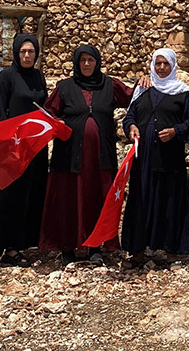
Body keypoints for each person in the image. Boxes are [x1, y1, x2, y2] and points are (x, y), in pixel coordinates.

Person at [40, 44, 134, 265]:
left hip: (100, 158)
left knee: (96, 199)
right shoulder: (65, 87)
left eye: (90, 60)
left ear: (97, 62)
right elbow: (47, 113)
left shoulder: (109, 85)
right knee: (69, 199)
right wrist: (58, 123)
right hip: (69, 157)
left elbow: (133, 97)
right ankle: (67, 247)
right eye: (82, 60)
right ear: (76, 63)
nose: (86, 64)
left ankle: (95, 247)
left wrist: (146, 81)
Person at [0, 33, 48, 278]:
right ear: (16, 52)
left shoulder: (38, 77)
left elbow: (43, 109)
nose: (27, 55)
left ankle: (13, 248)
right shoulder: (6, 77)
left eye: (31, 51)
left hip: (32, 148)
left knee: (23, 197)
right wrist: (6, 145)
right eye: (23, 51)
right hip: (9, 147)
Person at [121, 48, 189, 268]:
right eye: (158, 63)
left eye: (166, 64)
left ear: (173, 66)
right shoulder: (143, 89)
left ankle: (171, 252)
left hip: (169, 159)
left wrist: (174, 132)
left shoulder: (183, 93)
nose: (162, 68)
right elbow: (130, 116)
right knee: (141, 201)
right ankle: (138, 251)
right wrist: (131, 127)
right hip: (143, 159)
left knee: (169, 202)